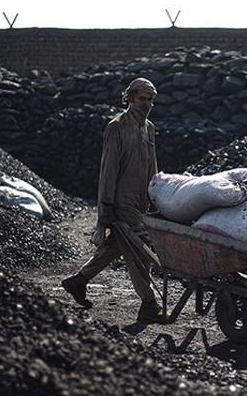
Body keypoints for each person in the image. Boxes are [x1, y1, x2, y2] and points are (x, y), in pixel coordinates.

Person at [61, 77, 165, 322]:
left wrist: (157, 194)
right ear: (129, 98)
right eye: (142, 99)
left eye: (150, 100)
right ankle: (148, 303)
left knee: (117, 245)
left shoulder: (149, 128)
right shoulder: (116, 127)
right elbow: (108, 169)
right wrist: (105, 207)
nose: (147, 104)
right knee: (139, 249)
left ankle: (79, 280)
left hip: (141, 200)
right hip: (121, 200)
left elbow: (153, 165)